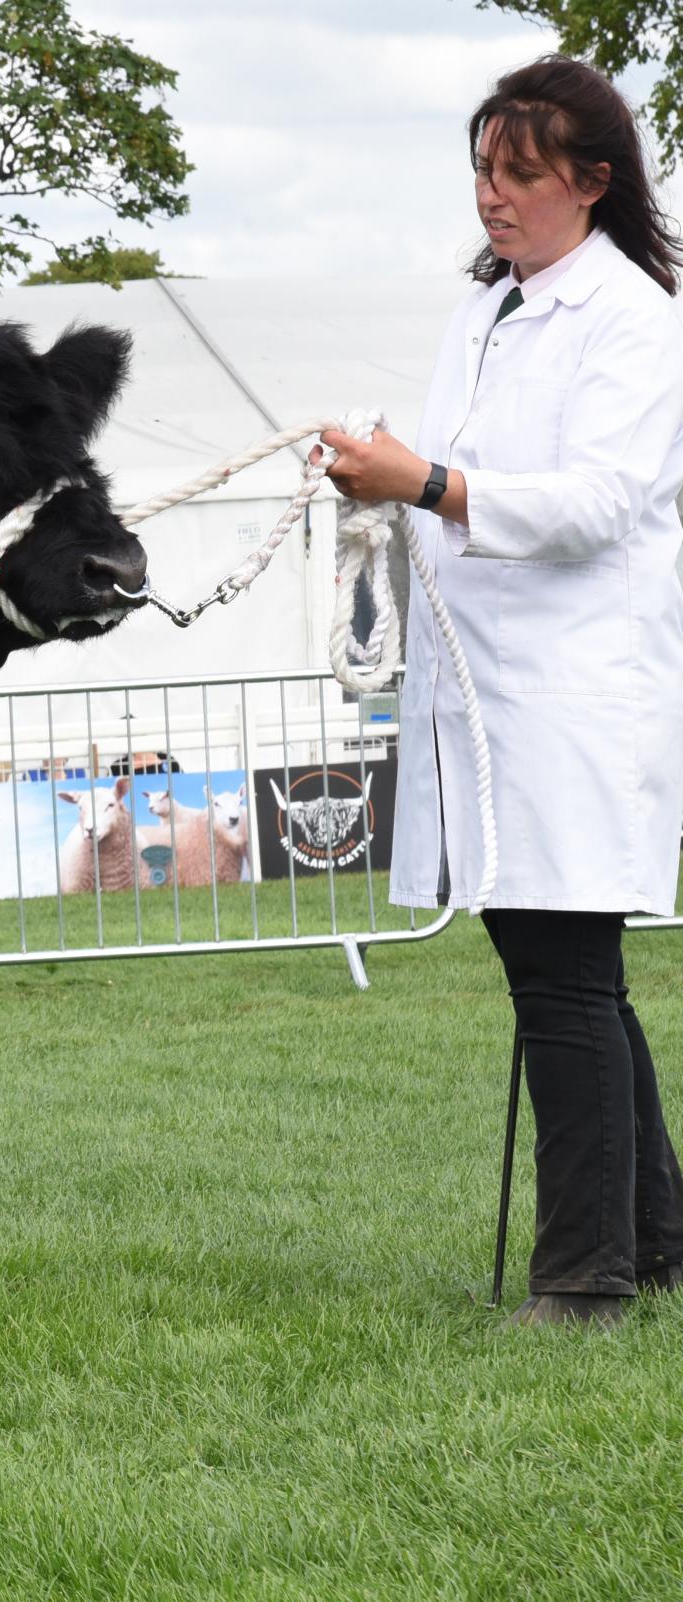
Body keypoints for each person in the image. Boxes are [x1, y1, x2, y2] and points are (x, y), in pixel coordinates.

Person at [322, 56, 683, 1327]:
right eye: (482, 169)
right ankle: (655, 1239)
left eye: (519, 174)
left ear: (590, 183)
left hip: (578, 694)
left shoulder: (636, 322)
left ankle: (586, 1279)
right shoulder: (484, 313)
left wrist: (421, 482)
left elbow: (594, 507)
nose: (493, 195)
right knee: (562, 965)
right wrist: (387, 477)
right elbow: (455, 474)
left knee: (565, 978)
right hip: (487, 691)